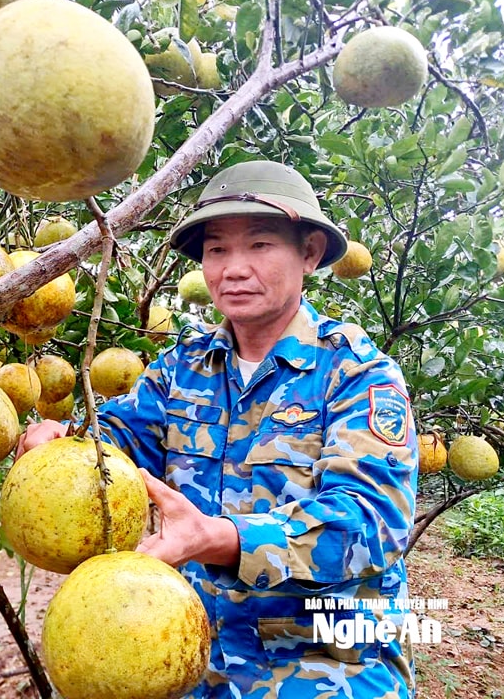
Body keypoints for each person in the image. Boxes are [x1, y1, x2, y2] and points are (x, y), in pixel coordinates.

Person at [21, 160, 419, 698]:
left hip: (324, 672)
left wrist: (220, 539)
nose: (233, 269)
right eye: (217, 250)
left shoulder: (357, 374)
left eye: (259, 245)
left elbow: (371, 522)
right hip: (196, 667)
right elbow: (109, 443)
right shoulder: (182, 366)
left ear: (309, 253)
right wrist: (60, 442)